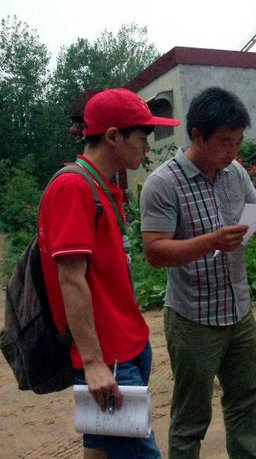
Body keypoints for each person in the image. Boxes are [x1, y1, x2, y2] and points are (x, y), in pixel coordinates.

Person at [139, 87, 256, 458]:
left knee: (244, 402)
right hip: (193, 317)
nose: (233, 152)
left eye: (238, 142)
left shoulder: (235, 173)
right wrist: (210, 241)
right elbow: (155, 252)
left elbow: (255, 225)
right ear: (196, 135)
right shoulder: (163, 184)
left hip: (238, 313)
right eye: (225, 142)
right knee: (191, 418)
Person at [38, 87, 181, 459]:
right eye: (142, 137)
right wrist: (92, 363)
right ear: (114, 136)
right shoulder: (74, 186)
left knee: (101, 451)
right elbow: (70, 278)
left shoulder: (102, 187)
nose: (147, 148)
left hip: (128, 347)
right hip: (109, 359)